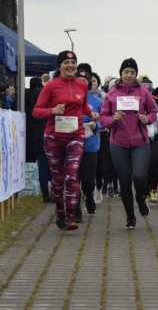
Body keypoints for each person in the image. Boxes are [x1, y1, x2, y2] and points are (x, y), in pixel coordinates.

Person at [33, 51, 98, 230]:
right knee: (58, 179)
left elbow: (83, 105)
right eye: (66, 62)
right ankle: (60, 212)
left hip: (76, 136)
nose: (70, 65)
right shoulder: (51, 86)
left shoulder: (81, 85)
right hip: (54, 138)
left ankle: (71, 215)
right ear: (60, 65)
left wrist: (91, 113)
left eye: (73, 62)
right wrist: (52, 111)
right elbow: (36, 111)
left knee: (72, 175)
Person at [100, 58, 158, 230]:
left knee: (139, 176)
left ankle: (140, 198)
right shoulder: (112, 93)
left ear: (136, 74)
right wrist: (113, 119)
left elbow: (154, 111)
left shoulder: (143, 92)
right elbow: (103, 118)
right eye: (126, 72)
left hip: (140, 141)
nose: (129, 75)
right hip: (118, 142)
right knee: (124, 182)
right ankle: (130, 217)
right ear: (121, 74)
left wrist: (148, 119)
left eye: (132, 72)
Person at [75, 64, 103, 221]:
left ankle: (89, 197)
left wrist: (96, 125)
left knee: (88, 179)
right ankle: (76, 207)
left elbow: (105, 120)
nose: (82, 83)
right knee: (74, 178)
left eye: (86, 80)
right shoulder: (68, 98)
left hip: (91, 145)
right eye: (79, 79)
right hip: (72, 143)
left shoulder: (97, 100)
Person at [25, 77, 51, 203]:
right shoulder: (45, 92)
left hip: (34, 134)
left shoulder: (26, 95)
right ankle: (53, 191)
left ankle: (45, 193)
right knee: (52, 163)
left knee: (42, 164)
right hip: (47, 131)